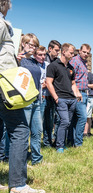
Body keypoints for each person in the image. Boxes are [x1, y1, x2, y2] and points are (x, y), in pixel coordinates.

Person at [0, 0, 45, 193]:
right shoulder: (1, 23)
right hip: (3, 84)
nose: (10, 7)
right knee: (19, 130)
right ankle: (18, 184)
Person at [46, 43, 81, 153]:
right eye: (71, 53)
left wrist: (77, 94)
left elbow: (73, 83)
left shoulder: (71, 68)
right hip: (61, 99)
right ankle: (59, 146)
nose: (72, 55)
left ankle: (62, 143)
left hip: (72, 99)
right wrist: (56, 98)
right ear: (64, 52)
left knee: (67, 123)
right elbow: (48, 83)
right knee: (64, 122)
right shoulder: (53, 66)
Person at [20, 34, 45, 166]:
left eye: (35, 45)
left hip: (36, 99)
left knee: (37, 131)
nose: (33, 47)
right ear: (23, 44)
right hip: (25, 100)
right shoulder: (19, 59)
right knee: (23, 132)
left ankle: (36, 159)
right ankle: (21, 159)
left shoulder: (35, 61)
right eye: (30, 44)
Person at [68, 44, 91, 147]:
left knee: (76, 119)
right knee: (83, 117)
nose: (86, 54)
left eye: (88, 53)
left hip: (84, 92)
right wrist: (76, 92)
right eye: (84, 52)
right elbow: (70, 78)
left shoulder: (84, 63)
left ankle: (72, 141)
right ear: (80, 51)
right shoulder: (74, 61)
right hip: (77, 93)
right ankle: (78, 143)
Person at [43, 40, 61, 147]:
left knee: (54, 120)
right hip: (44, 94)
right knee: (47, 121)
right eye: (56, 50)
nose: (57, 53)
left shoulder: (57, 61)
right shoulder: (43, 59)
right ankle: (47, 142)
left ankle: (52, 140)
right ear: (50, 49)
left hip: (53, 95)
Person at [83, 68, 93, 137]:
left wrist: (85, 85)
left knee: (88, 115)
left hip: (89, 96)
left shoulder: (89, 74)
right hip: (81, 96)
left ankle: (87, 132)